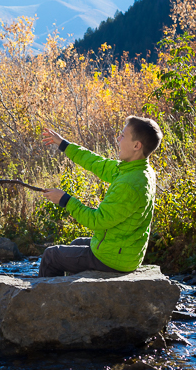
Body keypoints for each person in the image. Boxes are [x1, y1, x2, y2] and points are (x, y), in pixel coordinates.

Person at [37, 116, 163, 277]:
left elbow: (97, 221)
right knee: (76, 244)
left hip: (115, 259)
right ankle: (70, 293)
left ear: (137, 145)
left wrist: (65, 200)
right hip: (124, 250)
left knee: (51, 256)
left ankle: (47, 300)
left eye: (123, 135)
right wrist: (64, 144)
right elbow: (96, 163)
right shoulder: (136, 170)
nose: (118, 138)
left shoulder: (129, 184)